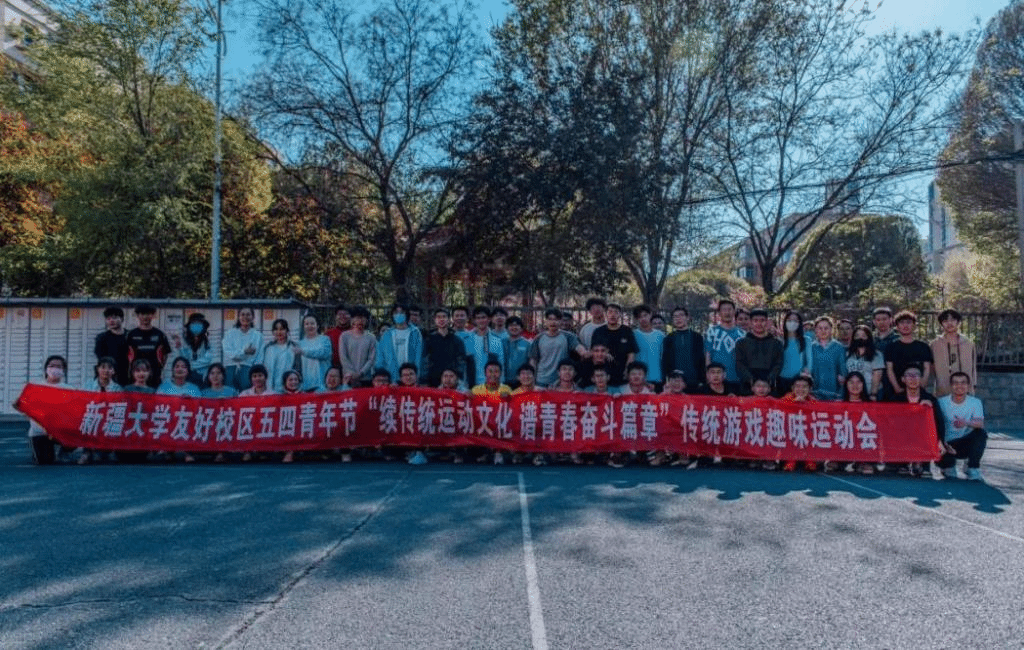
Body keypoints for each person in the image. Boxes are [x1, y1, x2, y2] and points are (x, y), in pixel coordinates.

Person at [888, 363, 944, 477]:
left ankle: (922, 462)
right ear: (903, 379)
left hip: (923, 438)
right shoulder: (896, 399)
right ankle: (906, 462)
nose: (913, 378)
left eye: (916, 375)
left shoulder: (930, 398)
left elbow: (939, 423)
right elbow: (888, 423)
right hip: (902, 437)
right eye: (909, 375)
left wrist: (940, 441)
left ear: (921, 379)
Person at [938, 372, 987, 481]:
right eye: (955, 383)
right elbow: (934, 425)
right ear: (951, 385)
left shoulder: (975, 402)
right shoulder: (941, 402)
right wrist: (942, 443)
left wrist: (966, 423)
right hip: (945, 444)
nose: (959, 386)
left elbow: (980, 424)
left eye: (963, 383)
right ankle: (947, 467)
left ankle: (972, 467)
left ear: (968, 385)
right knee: (950, 475)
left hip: (963, 442)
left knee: (981, 433)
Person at [27, 355, 69, 464]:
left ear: (63, 370)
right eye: (52, 366)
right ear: (46, 369)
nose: (55, 369)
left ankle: (63, 451)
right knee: (44, 462)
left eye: (59, 366)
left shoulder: (70, 390)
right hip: (40, 432)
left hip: (61, 431)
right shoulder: (35, 388)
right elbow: (30, 411)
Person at [530, 308, 587, 387]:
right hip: (541, 380)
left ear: (560, 321)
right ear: (546, 321)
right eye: (550, 319)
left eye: (556, 319)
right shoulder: (538, 338)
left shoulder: (568, 336)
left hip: (561, 381)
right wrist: (532, 380)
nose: (553, 322)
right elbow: (533, 360)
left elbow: (579, 348)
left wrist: (585, 352)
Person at [884, 310, 933, 400]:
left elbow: (927, 368)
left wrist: (922, 385)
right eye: (902, 323)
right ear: (897, 326)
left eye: (908, 322)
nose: (905, 325)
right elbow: (889, 369)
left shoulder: (923, 346)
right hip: (896, 392)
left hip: (918, 392)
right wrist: (897, 388)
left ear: (914, 326)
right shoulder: (891, 347)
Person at [734, 308, 783, 395]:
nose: (759, 324)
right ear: (750, 322)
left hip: (769, 387)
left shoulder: (776, 343)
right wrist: (752, 380)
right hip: (747, 386)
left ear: (767, 322)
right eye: (755, 321)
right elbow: (740, 364)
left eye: (762, 320)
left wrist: (769, 380)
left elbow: (778, 364)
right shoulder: (741, 343)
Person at [930, 309, 977, 398]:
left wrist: (973, 386)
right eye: (945, 321)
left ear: (958, 322)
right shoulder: (935, 344)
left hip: (966, 393)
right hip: (942, 393)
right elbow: (931, 368)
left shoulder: (968, 344)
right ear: (941, 324)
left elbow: (973, 368)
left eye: (953, 320)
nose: (949, 323)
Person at [592, 303, 638, 388]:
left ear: (620, 315)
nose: (613, 315)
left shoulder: (627, 331)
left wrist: (627, 370)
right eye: (610, 312)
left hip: (622, 374)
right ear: (605, 314)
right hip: (603, 375)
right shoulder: (598, 332)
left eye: (616, 312)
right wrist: (603, 354)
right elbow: (593, 352)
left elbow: (631, 354)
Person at [126, 304, 172, 388]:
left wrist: (158, 368)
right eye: (142, 314)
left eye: (148, 314)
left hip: (155, 379)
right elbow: (125, 355)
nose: (145, 317)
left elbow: (165, 355)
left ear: (153, 315)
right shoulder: (131, 335)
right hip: (135, 380)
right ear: (137, 316)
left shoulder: (160, 334)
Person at [661, 306, 705, 394]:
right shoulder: (669, 338)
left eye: (681, 315)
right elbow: (665, 361)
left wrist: (702, 380)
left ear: (687, 317)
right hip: (675, 383)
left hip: (694, 381)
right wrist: (666, 380)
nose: (678, 319)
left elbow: (701, 359)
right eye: (675, 316)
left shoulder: (697, 337)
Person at [376, 304, 424, 383]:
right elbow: (380, 357)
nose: (399, 315)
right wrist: (381, 375)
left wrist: (416, 375)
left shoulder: (415, 333)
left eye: (402, 312)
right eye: (396, 313)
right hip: (391, 377)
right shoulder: (387, 334)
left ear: (407, 314)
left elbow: (418, 356)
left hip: (410, 378)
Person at [704, 299, 744, 394]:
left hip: (736, 378)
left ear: (734, 312)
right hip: (716, 381)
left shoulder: (742, 334)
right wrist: (708, 376)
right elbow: (708, 355)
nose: (727, 312)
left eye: (729, 309)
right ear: (719, 313)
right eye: (724, 310)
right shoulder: (711, 332)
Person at [841, 371, 875, 474]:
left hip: (864, 439)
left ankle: (864, 462)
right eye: (851, 382)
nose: (855, 385)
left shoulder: (871, 405)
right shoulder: (840, 405)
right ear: (846, 385)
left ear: (863, 384)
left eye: (858, 382)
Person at [464, 306, 506, 387]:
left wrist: (501, 383)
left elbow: (501, 363)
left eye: (483, 317)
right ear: (474, 320)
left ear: (489, 319)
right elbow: (464, 365)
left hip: (492, 385)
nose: (481, 321)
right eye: (478, 318)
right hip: (472, 384)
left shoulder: (496, 340)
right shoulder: (467, 340)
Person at [222, 306, 262, 391]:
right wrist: (244, 352)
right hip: (230, 368)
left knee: (245, 395)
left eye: (248, 314)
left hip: (248, 370)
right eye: (242, 314)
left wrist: (255, 373)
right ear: (238, 317)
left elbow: (259, 357)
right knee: (230, 394)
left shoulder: (258, 336)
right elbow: (229, 353)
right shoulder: (230, 333)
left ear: (253, 317)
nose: (245, 317)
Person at [424, 308, 465, 387]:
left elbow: (461, 362)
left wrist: (459, 378)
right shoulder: (429, 340)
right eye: (438, 317)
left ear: (449, 320)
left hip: (452, 381)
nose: (441, 319)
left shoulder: (457, 340)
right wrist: (424, 379)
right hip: (433, 380)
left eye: (444, 317)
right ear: (435, 320)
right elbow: (425, 361)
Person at [808, 316, 846, 401]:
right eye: (820, 328)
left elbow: (843, 373)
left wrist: (841, 393)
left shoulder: (839, 347)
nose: (823, 331)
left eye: (826, 328)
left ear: (831, 329)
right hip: (814, 394)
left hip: (834, 394)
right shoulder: (811, 347)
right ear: (815, 330)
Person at [172, 313, 214, 387]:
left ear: (203, 326)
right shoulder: (184, 341)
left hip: (203, 378)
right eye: (194, 323)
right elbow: (181, 359)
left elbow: (208, 359)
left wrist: (190, 365)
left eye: (199, 323)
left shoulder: (208, 341)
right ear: (189, 326)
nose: (196, 325)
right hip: (186, 377)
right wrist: (179, 347)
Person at [777, 310, 812, 397]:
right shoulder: (780, 340)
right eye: (789, 320)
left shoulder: (806, 340)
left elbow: (809, 361)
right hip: (781, 380)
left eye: (795, 321)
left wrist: (806, 373)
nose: (792, 323)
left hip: (798, 382)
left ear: (799, 323)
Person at [340, 306, 377, 387]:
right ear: (352, 319)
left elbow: (371, 359)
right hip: (348, 378)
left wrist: (361, 373)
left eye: (362, 318)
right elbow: (343, 357)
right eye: (357, 318)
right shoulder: (344, 336)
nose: (359, 321)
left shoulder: (371, 337)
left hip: (366, 378)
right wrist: (351, 373)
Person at [845, 325, 884, 399]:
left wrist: (873, 394)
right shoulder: (847, 354)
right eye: (857, 336)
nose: (860, 338)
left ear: (868, 337)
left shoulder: (876, 355)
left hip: (871, 392)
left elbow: (877, 376)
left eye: (863, 336)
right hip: (853, 393)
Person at [259, 318, 298, 393]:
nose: (279, 332)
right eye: (276, 329)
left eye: (282, 329)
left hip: (288, 390)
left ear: (287, 331)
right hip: (270, 389)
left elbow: (297, 369)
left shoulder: (294, 347)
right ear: (273, 332)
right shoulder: (268, 348)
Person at [94, 306, 130, 386]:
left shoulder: (130, 336)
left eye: (114, 318)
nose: (111, 321)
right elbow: (101, 359)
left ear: (122, 319)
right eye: (108, 319)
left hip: (128, 377)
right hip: (109, 377)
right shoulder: (102, 338)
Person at [632, 304, 666, 390]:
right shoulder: (633, 335)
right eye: (640, 317)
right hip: (639, 379)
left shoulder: (660, 335)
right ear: (636, 319)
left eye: (645, 315)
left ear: (650, 315)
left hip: (657, 378)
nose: (643, 319)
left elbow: (665, 357)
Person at [296, 313, 332, 392]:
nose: (309, 326)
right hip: (306, 385)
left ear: (317, 325)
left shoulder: (325, 339)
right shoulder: (300, 343)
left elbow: (324, 353)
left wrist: (304, 352)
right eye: (306, 324)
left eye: (312, 323)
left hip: (323, 383)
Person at [503, 316, 532, 388]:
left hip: (521, 381)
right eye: (511, 325)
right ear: (506, 328)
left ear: (521, 328)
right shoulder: (502, 342)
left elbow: (531, 362)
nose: (514, 328)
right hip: (503, 380)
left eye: (516, 325)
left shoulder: (527, 344)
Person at [324, 304, 352, 368]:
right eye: (340, 314)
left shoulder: (356, 333)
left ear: (351, 316)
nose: (343, 316)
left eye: (346, 314)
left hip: (352, 368)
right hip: (333, 368)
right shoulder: (328, 334)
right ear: (336, 317)